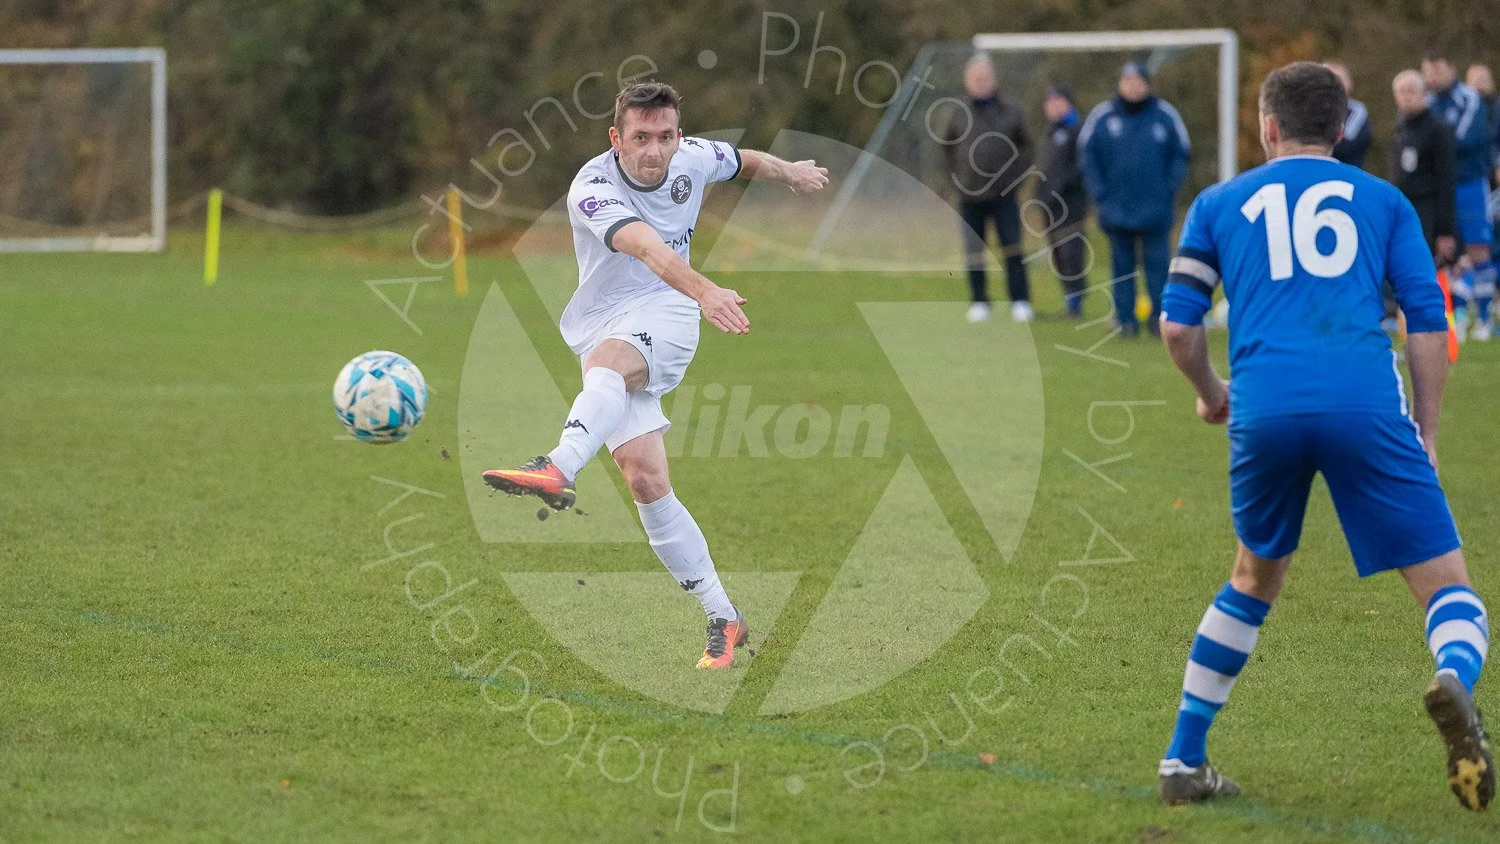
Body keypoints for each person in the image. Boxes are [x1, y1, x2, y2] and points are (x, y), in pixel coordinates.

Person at [1157, 61, 1491, 811]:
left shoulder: (1218, 202)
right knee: (1448, 589)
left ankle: (1183, 758)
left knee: (1253, 578)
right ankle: (1452, 678)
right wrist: (1428, 431)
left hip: (1264, 409)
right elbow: (1426, 320)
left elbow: (1178, 326)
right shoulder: (1385, 201)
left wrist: (1213, 396)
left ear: (1268, 128)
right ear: (1342, 129)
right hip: (1364, 404)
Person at [481, 82, 828, 670]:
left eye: (665, 137)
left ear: (678, 135)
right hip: (607, 320)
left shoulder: (692, 156)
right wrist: (709, 289)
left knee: (610, 366)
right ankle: (724, 617)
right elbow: (644, 247)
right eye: (641, 137)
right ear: (616, 138)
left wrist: (789, 171)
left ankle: (558, 467)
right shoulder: (592, 186)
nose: (655, 151)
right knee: (645, 478)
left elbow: (743, 160)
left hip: (668, 312)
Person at [1080, 61, 1191, 337]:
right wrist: (1100, 192)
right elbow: (1087, 155)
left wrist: (1168, 188)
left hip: (1155, 210)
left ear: (1147, 85)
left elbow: (1181, 153)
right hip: (1117, 210)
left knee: (1158, 268)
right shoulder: (1103, 116)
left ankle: (1159, 320)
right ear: (1120, 84)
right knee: (1122, 268)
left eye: (1138, 82)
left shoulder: (1165, 115)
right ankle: (1125, 321)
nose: (1132, 87)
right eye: (1127, 81)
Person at [941, 54, 1035, 323]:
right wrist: (957, 181)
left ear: (994, 80)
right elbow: (946, 150)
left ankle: (1020, 301)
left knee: (1012, 248)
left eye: (985, 78)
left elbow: (1027, 148)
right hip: (970, 197)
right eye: (976, 78)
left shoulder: (1011, 111)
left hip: (1004, 196)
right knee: (974, 251)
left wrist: (1015, 179)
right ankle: (979, 301)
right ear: (967, 81)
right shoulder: (958, 113)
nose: (981, 82)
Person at [1424, 50, 1495, 340]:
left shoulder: (1469, 98)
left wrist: (1435, 145)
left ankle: (1485, 318)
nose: (1433, 77)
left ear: (1451, 69)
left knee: (1478, 249)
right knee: (1445, 250)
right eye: (1428, 72)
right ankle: (1457, 315)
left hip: (1469, 183)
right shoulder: (1427, 101)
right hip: (1440, 187)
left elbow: (1463, 138)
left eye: (1438, 70)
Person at [1390, 70, 1458, 260]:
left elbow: (1446, 180)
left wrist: (1445, 230)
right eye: (1401, 91)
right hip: (1403, 210)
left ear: (1424, 93)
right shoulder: (1399, 130)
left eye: (1411, 91)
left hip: (1429, 213)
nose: (1406, 97)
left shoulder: (1438, 130)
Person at [1039, 84, 1089, 317]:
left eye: (1058, 101)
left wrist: (1063, 186)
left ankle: (1075, 302)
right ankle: (1070, 299)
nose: (1054, 107)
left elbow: (1082, 167)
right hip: (1050, 204)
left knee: (1072, 252)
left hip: (1071, 203)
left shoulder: (1078, 129)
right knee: (1058, 252)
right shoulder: (1051, 132)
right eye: (1050, 102)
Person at [1325, 62, 1372, 168]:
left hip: (1346, 172)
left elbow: (1345, 144)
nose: (1332, 85)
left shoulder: (1357, 111)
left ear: (1349, 83)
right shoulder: (1309, 110)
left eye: (1339, 80)